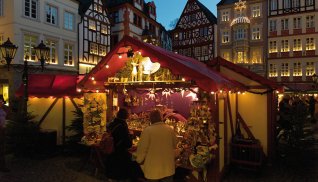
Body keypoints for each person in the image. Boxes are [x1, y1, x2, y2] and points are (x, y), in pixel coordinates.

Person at [136, 110, 177, 182]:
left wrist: (139, 160)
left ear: (151, 119)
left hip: (153, 169)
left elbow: (142, 149)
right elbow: (175, 145)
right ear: (161, 118)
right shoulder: (169, 129)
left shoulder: (147, 131)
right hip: (168, 167)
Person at [105, 108, 133, 182]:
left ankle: (110, 177)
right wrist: (131, 136)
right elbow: (127, 143)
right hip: (119, 151)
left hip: (111, 148)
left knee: (112, 163)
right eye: (128, 114)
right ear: (126, 116)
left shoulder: (113, 122)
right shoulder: (123, 125)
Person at [0, 95, 9, 172]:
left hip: (3, 130)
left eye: (2, 101)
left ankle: (3, 166)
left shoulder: (4, 109)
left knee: (2, 149)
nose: (1, 102)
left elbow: (8, 115)